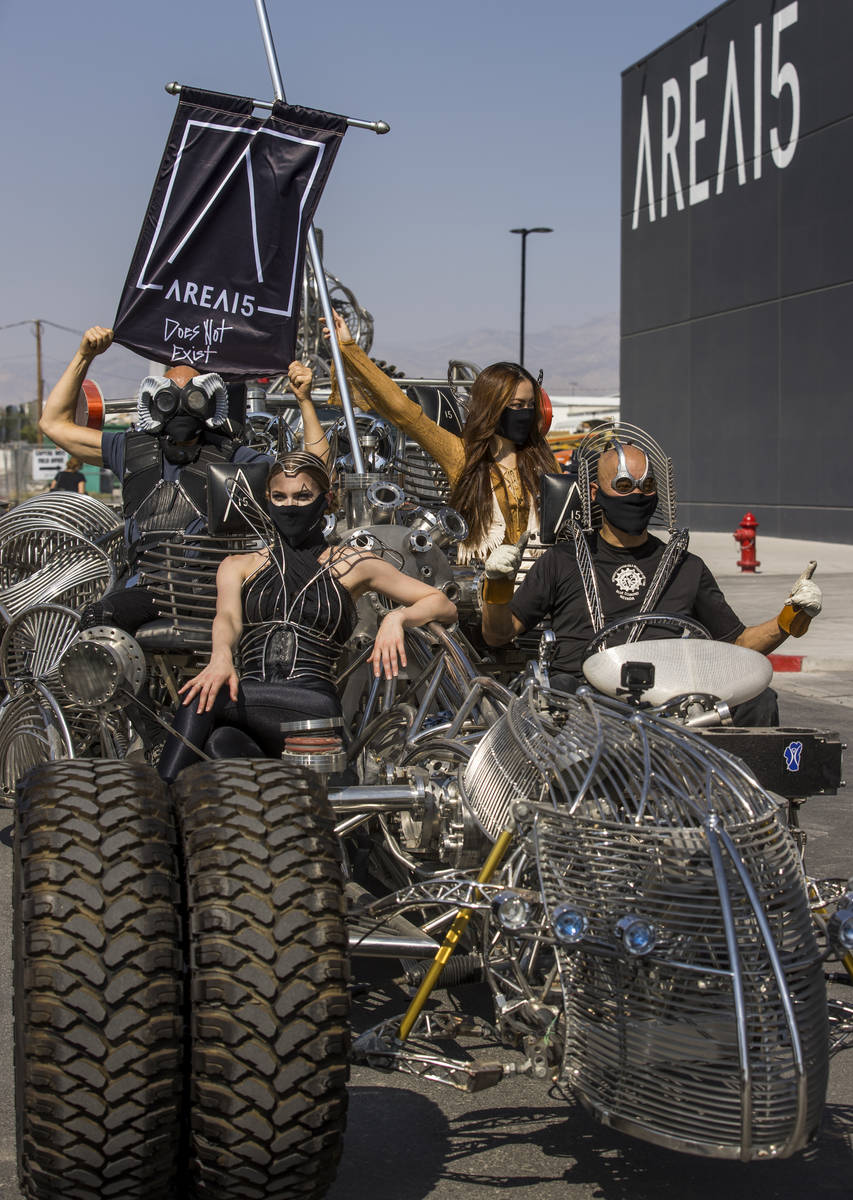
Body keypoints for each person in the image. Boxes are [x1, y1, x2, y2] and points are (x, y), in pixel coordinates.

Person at [480, 424, 823, 725]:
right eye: (625, 485)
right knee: (556, 696)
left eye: (646, 486)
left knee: (758, 701)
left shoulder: (685, 566)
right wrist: (497, 586)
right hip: (583, 698)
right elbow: (499, 634)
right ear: (596, 494)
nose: (638, 495)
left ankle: (739, 798)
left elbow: (738, 643)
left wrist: (790, 617)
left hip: (670, 701)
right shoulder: (562, 560)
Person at [157, 451, 457, 780]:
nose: (290, 506)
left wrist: (396, 618)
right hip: (251, 698)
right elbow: (227, 618)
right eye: (279, 497)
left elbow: (441, 602)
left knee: (198, 699)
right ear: (266, 500)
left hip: (314, 705)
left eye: (303, 496)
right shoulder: (237, 565)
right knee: (219, 743)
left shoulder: (353, 563)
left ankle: (157, 799)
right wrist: (220, 657)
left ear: (326, 501)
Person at [325, 310, 560, 598]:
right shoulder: (461, 454)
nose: (524, 413)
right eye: (515, 405)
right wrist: (350, 349)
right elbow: (403, 410)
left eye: (529, 405)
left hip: (542, 586)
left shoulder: (542, 459)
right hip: (483, 589)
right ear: (492, 407)